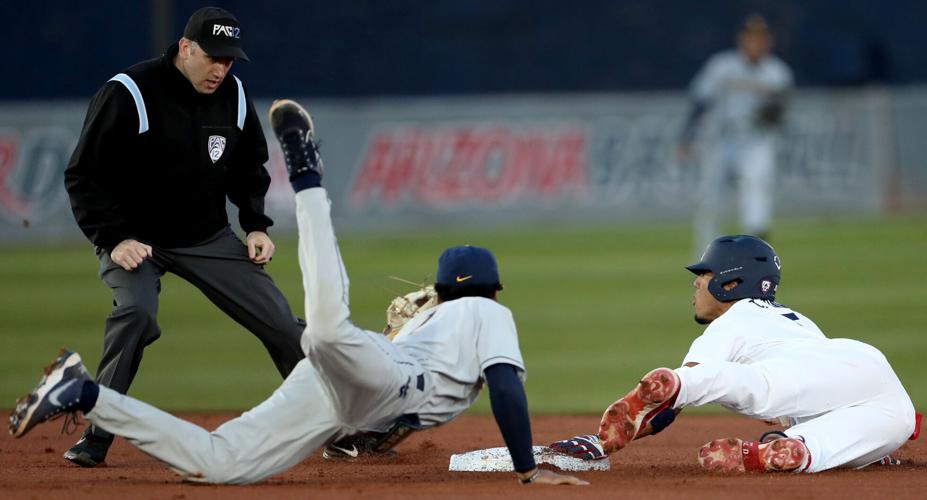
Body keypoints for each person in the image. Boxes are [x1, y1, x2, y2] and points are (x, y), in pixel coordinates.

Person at [12, 99, 587, 486]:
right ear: (494, 290)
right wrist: (526, 470)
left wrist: (365, 431)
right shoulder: (488, 313)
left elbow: (396, 408)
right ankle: (307, 175)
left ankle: (84, 393)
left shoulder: (432, 320)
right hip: (380, 377)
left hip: (347, 395)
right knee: (327, 326)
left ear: (439, 288)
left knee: (221, 464)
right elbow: (505, 388)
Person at [61, 6, 305, 467]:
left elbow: (248, 166)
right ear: (186, 48)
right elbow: (83, 175)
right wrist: (114, 237)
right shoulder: (129, 92)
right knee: (135, 314)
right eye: (213, 57)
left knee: (282, 325)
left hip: (204, 236)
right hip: (135, 240)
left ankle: (337, 423)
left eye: (229, 60)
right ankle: (97, 434)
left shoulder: (233, 95)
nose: (221, 69)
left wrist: (255, 224)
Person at [551, 235, 920, 473]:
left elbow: (667, 408)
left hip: (794, 374)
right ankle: (788, 450)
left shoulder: (732, 321)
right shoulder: (796, 319)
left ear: (731, 283)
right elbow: (824, 387)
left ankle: (681, 381)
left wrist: (600, 441)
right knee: (882, 425)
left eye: (705, 274)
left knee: (747, 386)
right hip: (871, 369)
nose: (696, 282)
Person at [678, 15, 794, 255]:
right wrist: (687, 137)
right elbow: (700, 100)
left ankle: (756, 256)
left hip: (756, 140)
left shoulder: (777, 73)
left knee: (757, 195)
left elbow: (780, 115)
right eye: (751, 37)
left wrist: (771, 110)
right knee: (710, 201)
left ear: (768, 41)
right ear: (742, 40)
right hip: (722, 140)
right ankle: (706, 258)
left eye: (760, 38)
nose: (756, 43)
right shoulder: (722, 66)